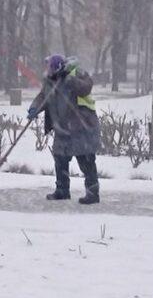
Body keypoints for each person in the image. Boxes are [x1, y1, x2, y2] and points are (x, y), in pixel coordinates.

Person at [27, 54, 101, 204]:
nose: (46, 70)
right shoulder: (50, 82)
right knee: (60, 158)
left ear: (57, 67)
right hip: (62, 127)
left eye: (49, 66)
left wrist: (70, 81)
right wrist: (34, 108)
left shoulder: (75, 74)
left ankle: (93, 194)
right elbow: (43, 97)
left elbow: (86, 87)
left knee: (86, 161)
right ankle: (62, 190)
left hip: (81, 126)